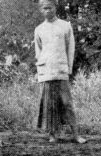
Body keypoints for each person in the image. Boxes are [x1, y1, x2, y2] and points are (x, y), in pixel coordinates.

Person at [34, 0, 79, 143]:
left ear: (55, 7)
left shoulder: (65, 26)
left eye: (50, 7)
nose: (48, 11)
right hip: (46, 70)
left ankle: (76, 134)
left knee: (67, 103)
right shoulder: (39, 29)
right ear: (41, 10)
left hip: (61, 69)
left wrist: (68, 68)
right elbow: (39, 52)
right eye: (44, 8)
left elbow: (70, 49)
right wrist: (41, 70)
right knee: (49, 105)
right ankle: (52, 135)